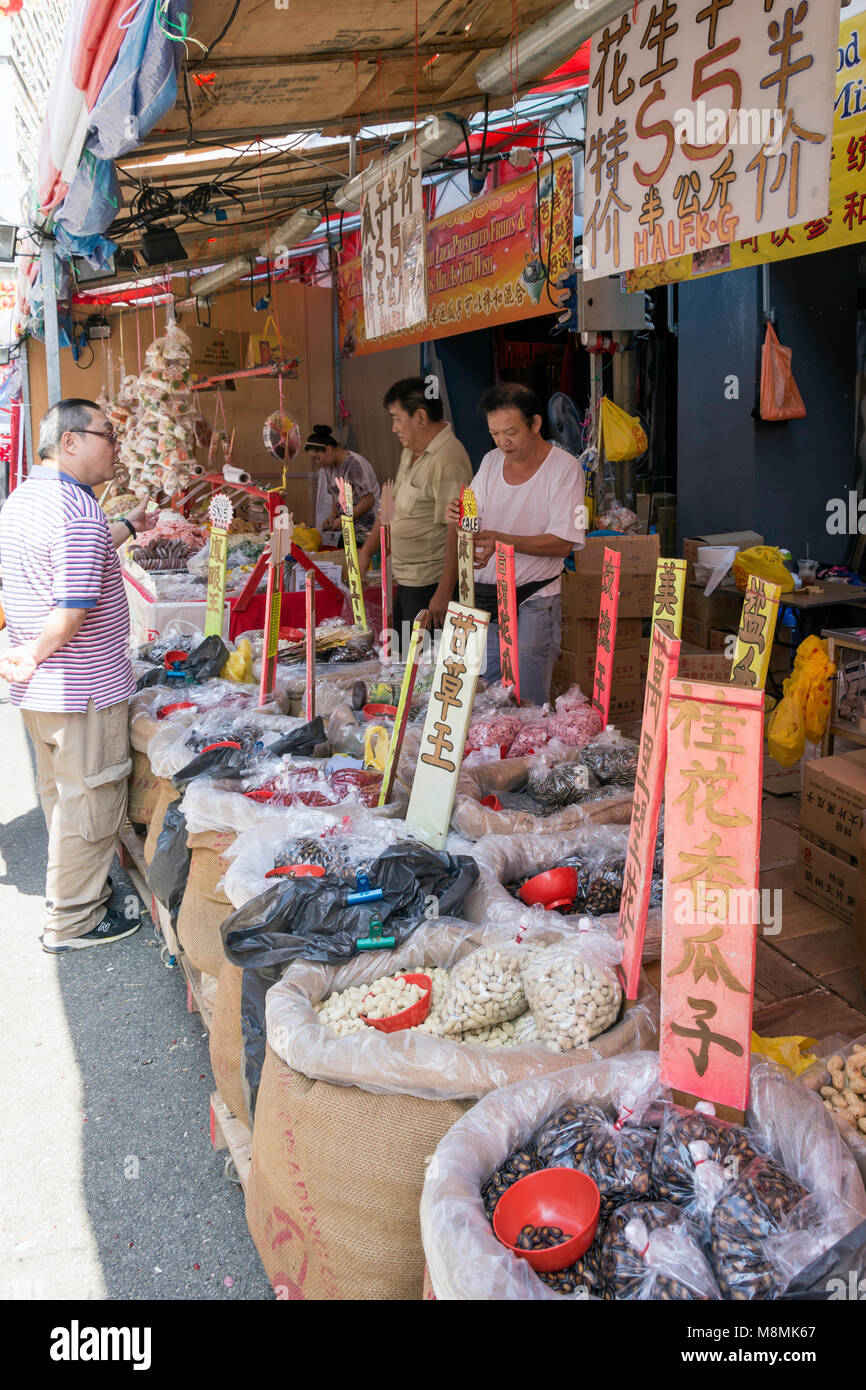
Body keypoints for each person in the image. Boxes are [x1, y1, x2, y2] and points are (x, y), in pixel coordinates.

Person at [0, 398, 155, 953]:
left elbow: (71, 559)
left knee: (63, 796)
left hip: (41, 693)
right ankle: (73, 920)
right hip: (80, 687)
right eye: (107, 435)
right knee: (90, 802)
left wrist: (124, 527)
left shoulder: (22, 500)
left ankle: (79, 892)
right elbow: (70, 610)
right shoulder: (76, 512)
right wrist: (33, 654)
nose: (115, 445)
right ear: (71, 441)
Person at [446, 381, 585, 707]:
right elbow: (475, 518)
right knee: (488, 700)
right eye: (495, 433)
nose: (502, 442)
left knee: (528, 702)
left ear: (535, 424)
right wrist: (460, 514)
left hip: (533, 600)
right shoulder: (491, 462)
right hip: (486, 600)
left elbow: (564, 543)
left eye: (511, 432)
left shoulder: (565, 469)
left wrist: (503, 541)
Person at [358, 377, 471, 641]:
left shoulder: (448, 459)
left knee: (423, 669)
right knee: (403, 662)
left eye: (397, 418)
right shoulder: (412, 452)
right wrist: (367, 550)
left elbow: (458, 530)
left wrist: (443, 594)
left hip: (430, 587)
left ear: (420, 417)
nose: (394, 428)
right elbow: (392, 506)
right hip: (408, 581)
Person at [305, 425, 380, 545]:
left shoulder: (355, 464)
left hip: (368, 531)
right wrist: (333, 516)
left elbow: (368, 501)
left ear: (329, 449)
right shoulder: (328, 469)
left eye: (318, 458)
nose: (318, 463)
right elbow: (336, 495)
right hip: (348, 530)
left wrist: (344, 520)